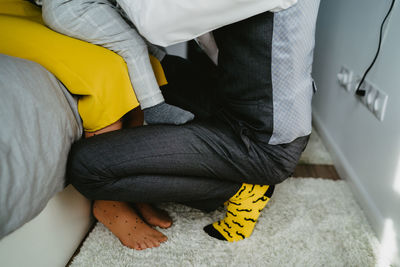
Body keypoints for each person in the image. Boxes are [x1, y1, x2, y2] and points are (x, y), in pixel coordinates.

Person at [67, 0, 320, 250]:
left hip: (263, 143)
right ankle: (215, 163)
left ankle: (241, 188)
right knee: (159, 70)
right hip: (230, 99)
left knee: (86, 166)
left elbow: (156, 25)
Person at [40, 0, 195, 131]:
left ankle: (169, 67)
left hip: (91, 3)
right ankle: (153, 107)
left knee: (149, 44)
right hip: (71, 5)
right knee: (132, 45)